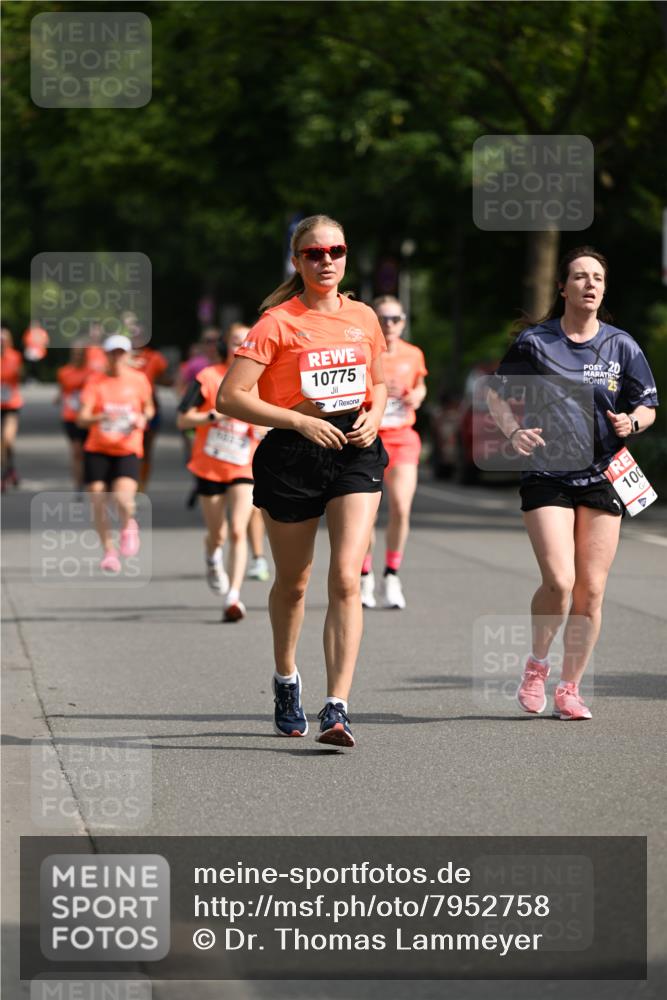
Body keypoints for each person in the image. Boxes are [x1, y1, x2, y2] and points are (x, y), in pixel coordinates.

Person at [217, 214, 388, 748]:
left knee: (345, 578)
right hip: (293, 453)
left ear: (346, 255)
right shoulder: (276, 323)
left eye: (336, 251)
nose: (327, 261)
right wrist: (298, 419)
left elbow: (380, 382)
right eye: (314, 253)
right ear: (298, 261)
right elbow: (231, 397)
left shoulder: (364, 317)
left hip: (355, 452)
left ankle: (337, 707)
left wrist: (375, 417)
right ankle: (286, 679)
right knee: (293, 585)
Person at [487, 247, 658, 721]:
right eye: (580, 277)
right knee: (560, 581)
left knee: (592, 591)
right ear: (562, 288)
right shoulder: (536, 343)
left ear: (604, 289)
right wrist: (514, 431)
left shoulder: (622, 345)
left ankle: (570, 687)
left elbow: (647, 405)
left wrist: (633, 423)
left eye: (598, 278)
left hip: (606, 472)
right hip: (548, 472)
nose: (590, 284)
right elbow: (497, 395)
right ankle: (537, 666)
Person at [176, 323, 256, 621]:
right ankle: (212, 558)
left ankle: (233, 596)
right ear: (225, 345)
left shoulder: (261, 379)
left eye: (247, 340)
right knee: (218, 533)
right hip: (209, 465)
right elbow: (183, 421)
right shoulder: (207, 377)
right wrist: (212, 415)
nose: (241, 345)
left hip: (244, 464)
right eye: (235, 340)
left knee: (238, 528)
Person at [360, 296, 427, 609]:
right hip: (368, 438)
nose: (389, 324)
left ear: (403, 321)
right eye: (383, 318)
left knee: (400, 507)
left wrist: (417, 395)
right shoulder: (362, 351)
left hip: (402, 437)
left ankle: (391, 574)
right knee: (366, 515)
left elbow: (421, 385)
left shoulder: (413, 353)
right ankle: (364, 576)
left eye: (396, 318)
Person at [77, 335, 154, 573]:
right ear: (106, 355)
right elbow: (81, 418)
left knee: (123, 499)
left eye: (121, 352)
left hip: (127, 448)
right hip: (98, 448)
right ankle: (109, 552)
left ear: (129, 355)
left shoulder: (139, 380)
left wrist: (143, 417)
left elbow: (149, 408)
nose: (117, 357)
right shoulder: (95, 382)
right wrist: (100, 417)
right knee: (98, 502)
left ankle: (129, 524)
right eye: (113, 353)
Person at [126, 320, 171, 491]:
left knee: (146, 448)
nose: (136, 337)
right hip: (126, 406)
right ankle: (125, 481)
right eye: (132, 333)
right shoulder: (121, 356)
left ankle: (141, 485)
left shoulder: (155, 357)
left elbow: (164, 378)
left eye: (139, 334)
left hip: (149, 405)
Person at [56, 341, 98, 493]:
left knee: (88, 450)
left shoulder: (93, 373)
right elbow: (62, 391)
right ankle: (78, 484)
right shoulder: (64, 372)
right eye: (75, 354)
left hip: (87, 418)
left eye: (81, 354)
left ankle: (90, 477)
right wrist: (58, 398)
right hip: (70, 417)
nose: (78, 356)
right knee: (76, 451)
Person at [1, 326, 23, 491]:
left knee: (7, 439)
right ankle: (5, 473)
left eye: (4, 339)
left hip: (11, 404)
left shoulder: (15, 357)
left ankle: (10, 468)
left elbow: (19, 376)